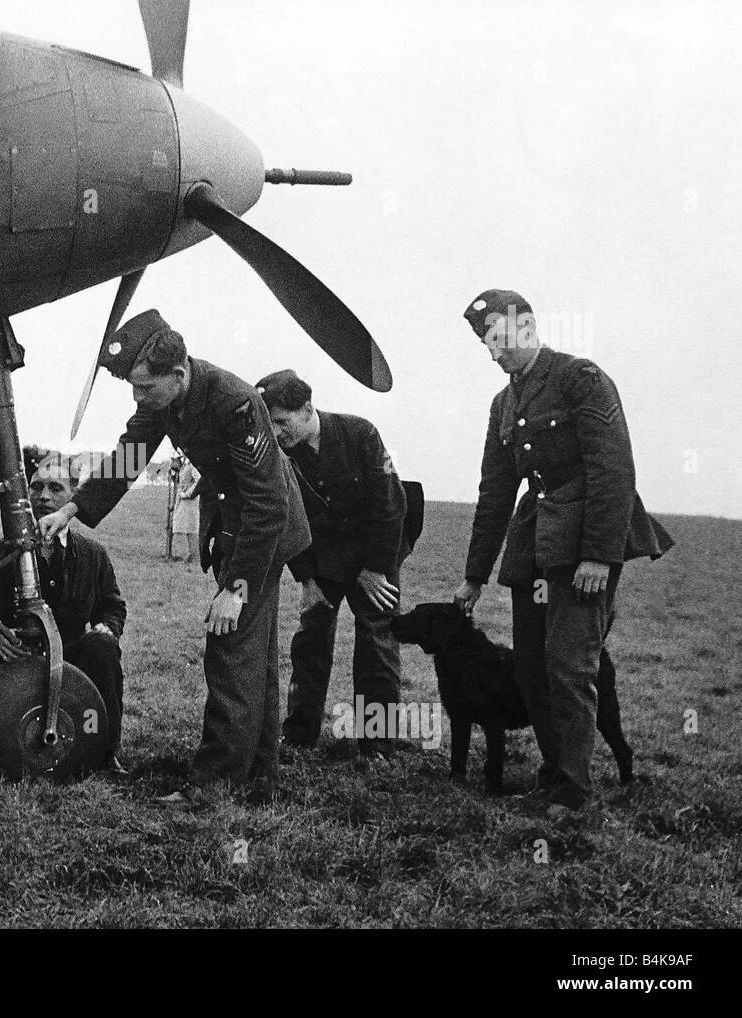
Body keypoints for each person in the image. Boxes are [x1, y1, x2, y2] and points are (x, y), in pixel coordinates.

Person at [38, 309, 311, 805]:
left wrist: (235, 588)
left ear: (179, 375)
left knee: (229, 643)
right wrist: (74, 508)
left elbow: (269, 504)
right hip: (240, 523)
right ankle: (259, 773)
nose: (138, 399)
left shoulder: (235, 403)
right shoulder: (163, 398)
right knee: (255, 658)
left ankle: (214, 784)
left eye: (144, 389)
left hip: (263, 530)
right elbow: (128, 454)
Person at [452, 289, 673, 818]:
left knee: (570, 666)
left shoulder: (581, 377)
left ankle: (573, 796)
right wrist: (474, 575)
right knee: (531, 669)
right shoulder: (503, 404)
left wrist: (599, 554)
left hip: (584, 546)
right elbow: (495, 492)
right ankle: (554, 776)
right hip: (535, 546)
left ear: (527, 326)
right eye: (485, 343)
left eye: (499, 338)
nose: (493, 353)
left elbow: (613, 469)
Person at [255, 369, 410, 759]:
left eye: (282, 421)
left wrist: (375, 569)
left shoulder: (360, 434)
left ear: (307, 409)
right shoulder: (279, 454)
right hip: (322, 557)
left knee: (377, 643)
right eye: (268, 423)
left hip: (376, 554)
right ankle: (299, 732)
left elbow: (390, 506)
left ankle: (378, 745)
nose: (275, 433)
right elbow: (287, 516)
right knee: (310, 640)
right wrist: (307, 579)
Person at [0, 451, 129, 772]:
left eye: (55, 488)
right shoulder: (1, 553)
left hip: (72, 661)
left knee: (103, 648)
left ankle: (106, 751)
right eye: (36, 488)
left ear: (74, 495)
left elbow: (112, 606)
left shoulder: (93, 554)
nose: (45, 497)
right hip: (17, 662)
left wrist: (108, 626)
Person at [171, 455, 201, 563]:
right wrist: (174, 473)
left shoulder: (193, 464)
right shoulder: (184, 464)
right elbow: (179, 481)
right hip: (182, 501)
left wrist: (188, 493)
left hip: (190, 501)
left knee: (190, 527)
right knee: (180, 525)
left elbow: (199, 481)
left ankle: (192, 556)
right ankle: (181, 555)